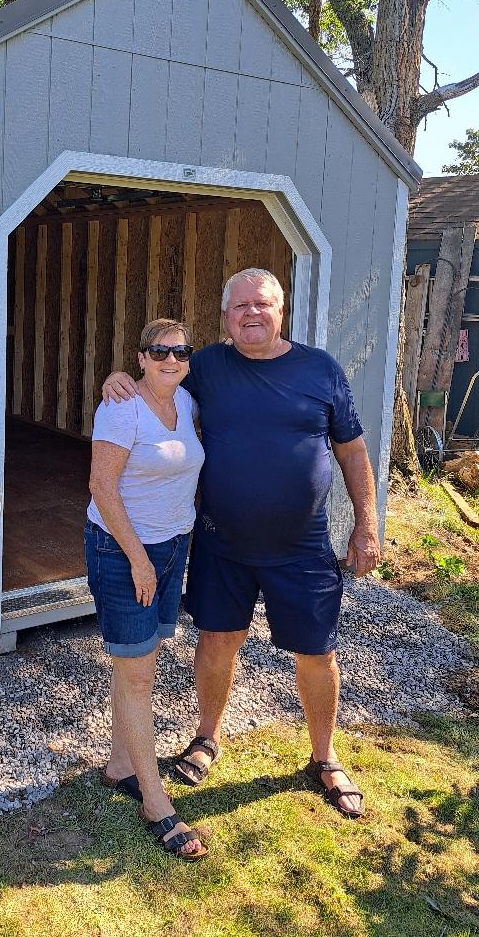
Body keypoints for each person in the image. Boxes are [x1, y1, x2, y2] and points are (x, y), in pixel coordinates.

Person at [103, 268, 380, 818]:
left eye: (262, 304)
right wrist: (120, 378)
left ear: (282, 311)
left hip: (301, 546)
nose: (251, 314)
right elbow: (159, 377)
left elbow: (351, 450)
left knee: (317, 653)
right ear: (226, 317)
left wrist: (367, 525)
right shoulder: (206, 365)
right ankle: (206, 738)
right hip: (222, 542)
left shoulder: (319, 369)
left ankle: (323, 757)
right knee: (216, 643)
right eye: (240, 307)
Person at [87, 318, 208, 859]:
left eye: (181, 351)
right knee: (138, 674)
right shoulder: (120, 406)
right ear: (140, 357)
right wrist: (138, 560)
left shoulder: (187, 402)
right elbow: (100, 486)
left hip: (172, 547)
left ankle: (119, 764)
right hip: (123, 550)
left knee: (143, 663)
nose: (171, 359)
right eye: (159, 351)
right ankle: (156, 802)